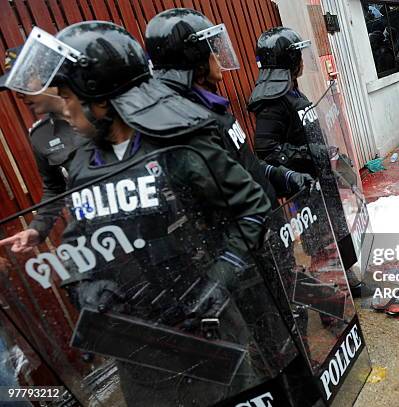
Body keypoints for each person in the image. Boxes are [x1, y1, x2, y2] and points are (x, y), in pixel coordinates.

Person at [5, 21, 295, 406]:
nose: (65, 108)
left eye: (70, 96)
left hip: (209, 332)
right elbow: (78, 238)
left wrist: (217, 281)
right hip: (142, 353)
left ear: (102, 100)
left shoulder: (179, 145)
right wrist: (86, 287)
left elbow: (253, 210)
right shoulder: (83, 163)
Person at [143, 8, 312, 209]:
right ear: (195, 59)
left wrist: (280, 175)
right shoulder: (187, 123)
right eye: (212, 50)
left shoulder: (212, 108)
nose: (217, 56)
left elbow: (242, 164)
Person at [247, 26, 364, 292]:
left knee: (336, 229)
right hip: (305, 185)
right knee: (320, 242)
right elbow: (266, 152)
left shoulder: (292, 91)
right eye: (297, 55)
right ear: (287, 59)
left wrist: (330, 154)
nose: (302, 61)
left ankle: (348, 279)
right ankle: (330, 302)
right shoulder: (271, 102)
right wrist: (308, 155)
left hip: (321, 177)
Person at [0, 47, 87, 254]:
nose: (19, 94)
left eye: (24, 82)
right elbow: (55, 189)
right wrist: (37, 229)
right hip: (97, 235)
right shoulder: (41, 136)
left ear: (49, 74)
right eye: (14, 87)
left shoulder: (101, 109)